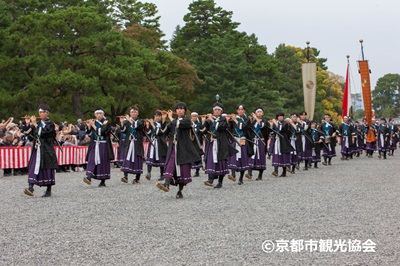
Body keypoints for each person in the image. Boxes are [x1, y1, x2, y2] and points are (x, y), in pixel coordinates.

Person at [155, 102, 200, 198]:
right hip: (173, 147)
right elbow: (163, 132)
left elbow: (178, 124)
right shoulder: (172, 122)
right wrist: (163, 120)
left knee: (182, 170)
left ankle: (180, 191)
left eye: (181, 108)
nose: (179, 110)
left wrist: (170, 118)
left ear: (184, 110)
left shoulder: (187, 121)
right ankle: (166, 184)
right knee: (170, 165)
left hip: (183, 149)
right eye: (178, 109)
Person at [23, 104, 58, 197]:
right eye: (40, 112)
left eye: (43, 112)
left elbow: (45, 133)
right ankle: (30, 187)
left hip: (47, 149)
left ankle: (48, 190)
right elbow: (30, 136)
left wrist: (35, 124)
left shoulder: (50, 124)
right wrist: (27, 124)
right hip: (37, 149)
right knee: (33, 166)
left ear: (47, 113)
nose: (41, 114)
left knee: (47, 168)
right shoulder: (37, 124)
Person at [201, 102, 238, 188]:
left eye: (218, 110)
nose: (217, 111)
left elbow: (218, 127)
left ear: (221, 111)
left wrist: (212, 120)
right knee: (210, 160)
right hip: (211, 142)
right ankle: (210, 179)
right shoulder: (209, 120)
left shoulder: (223, 120)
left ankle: (220, 182)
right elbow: (202, 130)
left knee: (221, 162)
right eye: (215, 110)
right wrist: (204, 121)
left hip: (221, 144)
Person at [83, 108, 114, 187]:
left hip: (103, 144)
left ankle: (102, 180)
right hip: (94, 144)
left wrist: (93, 126)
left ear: (103, 114)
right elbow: (88, 132)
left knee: (103, 161)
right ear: (95, 115)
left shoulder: (106, 122)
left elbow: (102, 132)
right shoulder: (94, 122)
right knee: (91, 159)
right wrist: (89, 126)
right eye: (97, 114)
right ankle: (89, 177)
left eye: (100, 113)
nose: (99, 115)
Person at [227, 104, 253, 185]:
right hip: (235, 139)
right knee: (233, 157)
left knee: (243, 159)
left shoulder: (247, 119)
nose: (240, 111)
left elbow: (244, 127)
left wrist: (235, 120)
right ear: (237, 110)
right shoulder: (234, 119)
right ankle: (233, 175)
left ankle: (241, 178)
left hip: (243, 140)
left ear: (244, 110)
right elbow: (229, 128)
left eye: (242, 109)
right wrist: (228, 120)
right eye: (238, 109)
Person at [120, 106, 145, 184]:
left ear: (137, 114)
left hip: (137, 142)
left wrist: (129, 120)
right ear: (130, 113)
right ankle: (125, 176)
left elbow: (137, 126)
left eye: (135, 112)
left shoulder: (141, 121)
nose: (133, 113)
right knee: (127, 158)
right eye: (132, 112)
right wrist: (121, 122)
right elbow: (123, 131)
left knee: (138, 159)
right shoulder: (126, 122)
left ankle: (137, 178)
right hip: (129, 142)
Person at [145, 110, 168, 181]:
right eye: (156, 116)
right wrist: (148, 126)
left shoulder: (163, 124)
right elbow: (149, 133)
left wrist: (152, 124)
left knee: (161, 158)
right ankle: (148, 173)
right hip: (153, 142)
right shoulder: (153, 123)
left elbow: (160, 132)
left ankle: (162, 174)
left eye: (158, 116)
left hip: (160, 143)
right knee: (150, 157)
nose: (157, 117)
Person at [271, 111, 294, 177]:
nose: (280, 117)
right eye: (279, 116)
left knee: (284, 155)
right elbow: (273, 130)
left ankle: (284, 172)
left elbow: (281, 128)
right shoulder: (275, 123)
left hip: (283, 141)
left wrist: (275, 122)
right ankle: (276, 171)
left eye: (282, 116)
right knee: (276, 154)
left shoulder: (285, 123)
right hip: (277, 140)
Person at [248, 107, 268, 180]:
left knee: (261, 157)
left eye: (260, 112)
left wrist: (256, 118)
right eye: (257, 112)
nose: (259, 113)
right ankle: (249, 173)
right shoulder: (253, 121)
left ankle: (260, 175)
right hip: (253, 140)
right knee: (251, 155)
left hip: (261, 141)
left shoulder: (264, 121)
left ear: (262, 114)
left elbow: (262, 126)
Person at [190, 112, 204, 177]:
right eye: (193, 116)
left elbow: (202, 131)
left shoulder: (199, 124)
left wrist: (203, 122)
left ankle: (197, 171)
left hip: (198, 141)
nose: (194, 117)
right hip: (191, 142)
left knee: (198, 155)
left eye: (195, 116)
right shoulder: (189, 124)